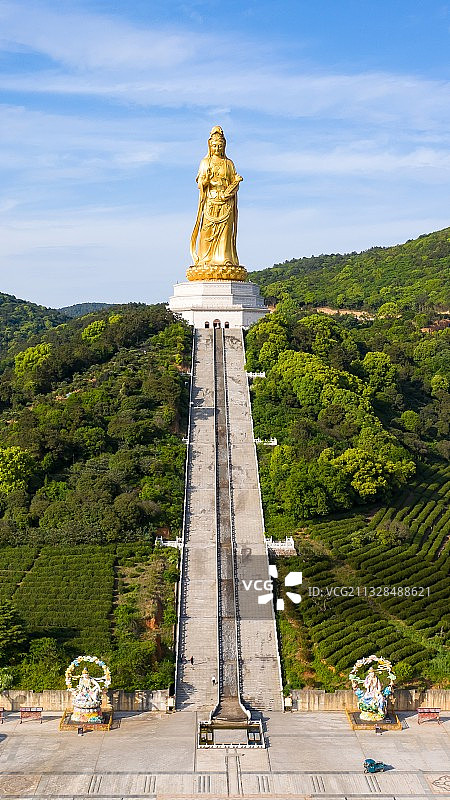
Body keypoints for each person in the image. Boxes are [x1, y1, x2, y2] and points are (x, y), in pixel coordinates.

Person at [190, 126, 243, 269]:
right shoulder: (205, 162)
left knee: (225, 234)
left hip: (226, 203)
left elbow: (234, 182)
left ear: (224, 146)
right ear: (210, 145)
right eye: (214, 145)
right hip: (211, 201)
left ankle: (224, 258)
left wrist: (233, 186)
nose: (217, 148)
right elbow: (200, 183)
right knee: (207, 231)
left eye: (220, 145)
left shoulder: (229, 163)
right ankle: (205, 259)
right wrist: (205, 180)